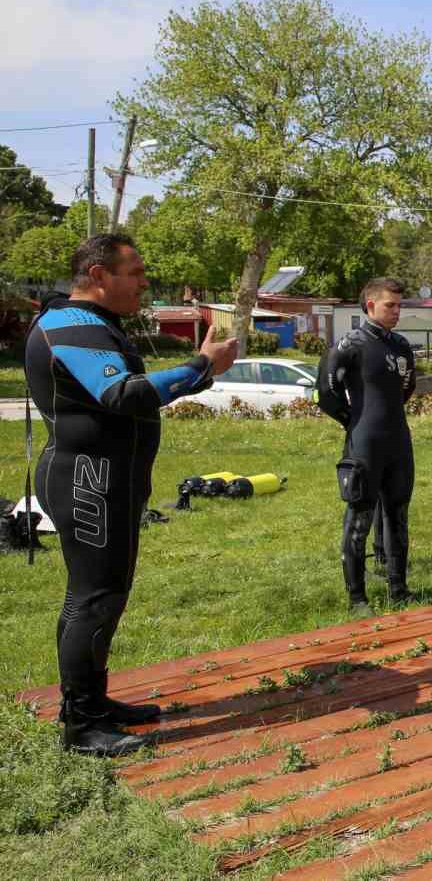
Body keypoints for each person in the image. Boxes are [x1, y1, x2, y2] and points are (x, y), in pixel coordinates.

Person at [24, 234, 239, 755]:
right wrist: (198, 367)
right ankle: (82, 725)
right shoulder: (70, 324)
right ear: (99, 275)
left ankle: (91, 704)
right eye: (135, 272)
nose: (145, 282)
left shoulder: (94, 325)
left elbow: (130, 398)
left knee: (103, 595)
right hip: (88, 480)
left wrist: (201, 371)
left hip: (104, 479)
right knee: (93, 599)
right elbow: (120, 395)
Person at [317, 277, 417, 614]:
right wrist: (354, 421)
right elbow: (327, 394)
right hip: (364, 444)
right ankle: (358, 598)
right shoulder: (350, 344)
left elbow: (406, 389)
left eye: (400, 305)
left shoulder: (402, 345)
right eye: (391, 305)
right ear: (370, 305)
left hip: (398, 441)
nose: (397, 311)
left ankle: (398, 588)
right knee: (359, 520)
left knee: (398, 515)